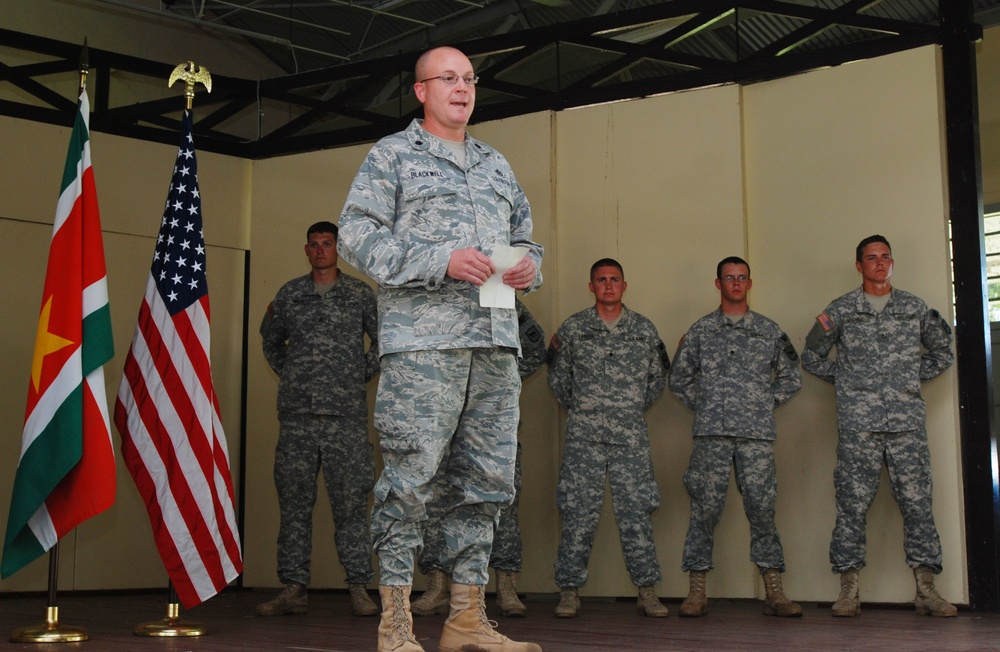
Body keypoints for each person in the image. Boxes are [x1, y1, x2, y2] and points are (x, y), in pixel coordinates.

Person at [337, 46, 544, 652]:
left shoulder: (495, 164)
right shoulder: (393, 155)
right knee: (411, 479)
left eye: (469, 79)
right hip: (423, 347)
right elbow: (356, 236)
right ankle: (396, 622)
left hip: (494, 345)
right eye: (447, 79)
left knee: (487, 482)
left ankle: (466, 619)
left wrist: (533, 266)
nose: (462, 88)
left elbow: (526, 236)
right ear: (420, 91)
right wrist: (439, 261)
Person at [801, 234, 958, 618]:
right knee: (852, 505)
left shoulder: (914, 307)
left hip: (907, 426)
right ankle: (849, 591)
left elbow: (943, 350)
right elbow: (811, 354)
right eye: (871, 258)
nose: (880, 263)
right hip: (860, 426)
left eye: (885, 257)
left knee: (918, 504)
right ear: (859, 266)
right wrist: (849, 379)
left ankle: (926, 589)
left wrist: (907, 375)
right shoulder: (841, 309)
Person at [257, 221, 380, 618]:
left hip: (345, 419)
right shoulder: (290, 294)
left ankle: (360, 587)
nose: (320, 250)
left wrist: (355, 375)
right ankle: (293, 587)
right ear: (306, 250)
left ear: (338, 249)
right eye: (314, 245)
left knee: (351, 505)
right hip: (298, 419)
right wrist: (292, 373)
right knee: (294, 505)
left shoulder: (360, 294)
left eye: (327, 244)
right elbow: (271, 341)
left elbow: (384, 342)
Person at [668, 256, 802, 618]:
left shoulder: (769, 331)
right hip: (712, 435)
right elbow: (678, 379)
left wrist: (759, 404)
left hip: (755, 437)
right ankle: (697, 591)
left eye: (742, 277)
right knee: (705, 510)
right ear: (718, 284)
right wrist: (709, 404)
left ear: (750, 283)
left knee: (761, 509)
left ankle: (774, 589)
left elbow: (791, 378)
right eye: (729, 278)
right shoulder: (700, 331)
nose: (736, 283)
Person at [546, 258, 670, 619]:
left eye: (615, 279)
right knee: (577, 513)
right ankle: (569, 592)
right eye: (601, 280)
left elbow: (656, 381)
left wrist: (626, 412)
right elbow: (558, 380)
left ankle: (647, 592)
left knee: (637, 513)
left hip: (629, 439)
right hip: (584, 439)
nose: (609, 285)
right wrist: (586, 411)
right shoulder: (573, 329)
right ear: (591, 287)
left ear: (624, 285)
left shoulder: (644, 330)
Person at [411, 299, 546, 619]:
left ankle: (507, 587)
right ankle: (437, 587)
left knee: (502, 502)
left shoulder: (500, 295)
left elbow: (536, 347)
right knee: (436, 502)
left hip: (492, 421)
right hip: (443, 420)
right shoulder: (432, 296)